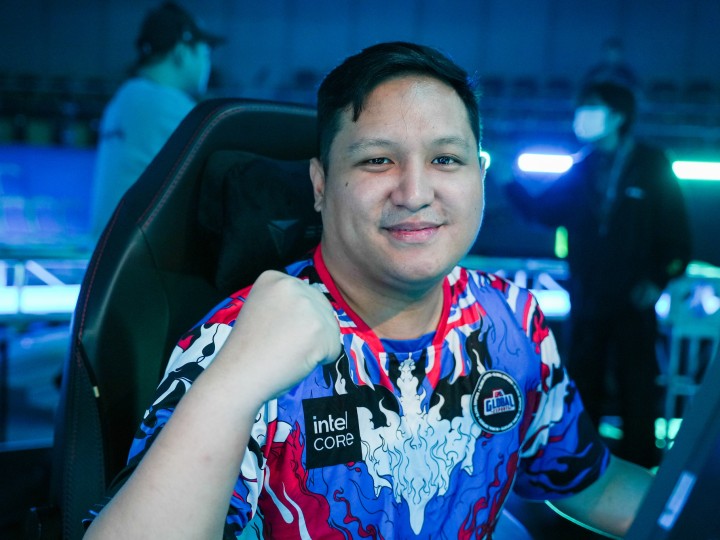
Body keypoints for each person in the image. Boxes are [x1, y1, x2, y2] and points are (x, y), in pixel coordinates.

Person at [84, 42, 654, 539]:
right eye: (378, 160)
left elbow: (593, 485)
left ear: (479, 178)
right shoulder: (236, 340)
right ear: (320, 184)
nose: (415, 192)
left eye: (446, 159)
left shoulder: (512, 320)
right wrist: (235, 384)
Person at [504, 81, 691, 469]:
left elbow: (677, 236)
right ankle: (582, 466)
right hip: (588, 298)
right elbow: (542, 212)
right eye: (582, 106)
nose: (582, 115)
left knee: (636, 383)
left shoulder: (652, 164)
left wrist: (657, 279)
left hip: (633, 300)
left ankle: (640, 468)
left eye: (592, 106)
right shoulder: (581, 167)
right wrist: (509, 182)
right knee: (582, 382)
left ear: (618, 116)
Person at [90, 1, 224, 241]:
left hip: (110, 247)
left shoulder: (125, 97)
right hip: (137, 252)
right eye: (205, 53)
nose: (208, 64)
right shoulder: (165, 103)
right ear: (181, 53)